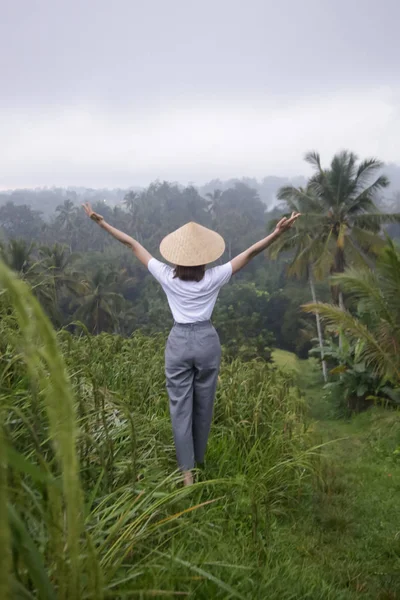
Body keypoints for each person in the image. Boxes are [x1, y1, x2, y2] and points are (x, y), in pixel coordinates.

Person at [82, 202, 300, 485]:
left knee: (180, 407)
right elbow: (251, 252)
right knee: (204, 405)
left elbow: (132, 244)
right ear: (203, 259)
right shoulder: (213, 277)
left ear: (176, 258)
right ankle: (199, 460)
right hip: (207, 341)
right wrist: (278, 233)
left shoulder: (166, 276)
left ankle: (187, 474)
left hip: (179, 342)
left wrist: (101, 223)